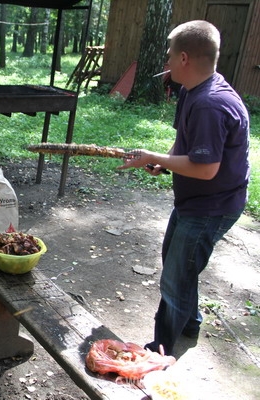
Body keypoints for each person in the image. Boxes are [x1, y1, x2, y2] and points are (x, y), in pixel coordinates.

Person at [118, 20, 250, 356]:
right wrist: (165, 161)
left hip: (213, 207)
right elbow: (185, 145)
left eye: (170, 55)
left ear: (185, 59)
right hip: (195, 202)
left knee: (175, 277)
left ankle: (159, 350)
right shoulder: (192, 89)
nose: (166, 61)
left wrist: (151, 155)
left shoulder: (210, 103)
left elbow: (206, 169)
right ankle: (190, 322)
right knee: (177, 260)